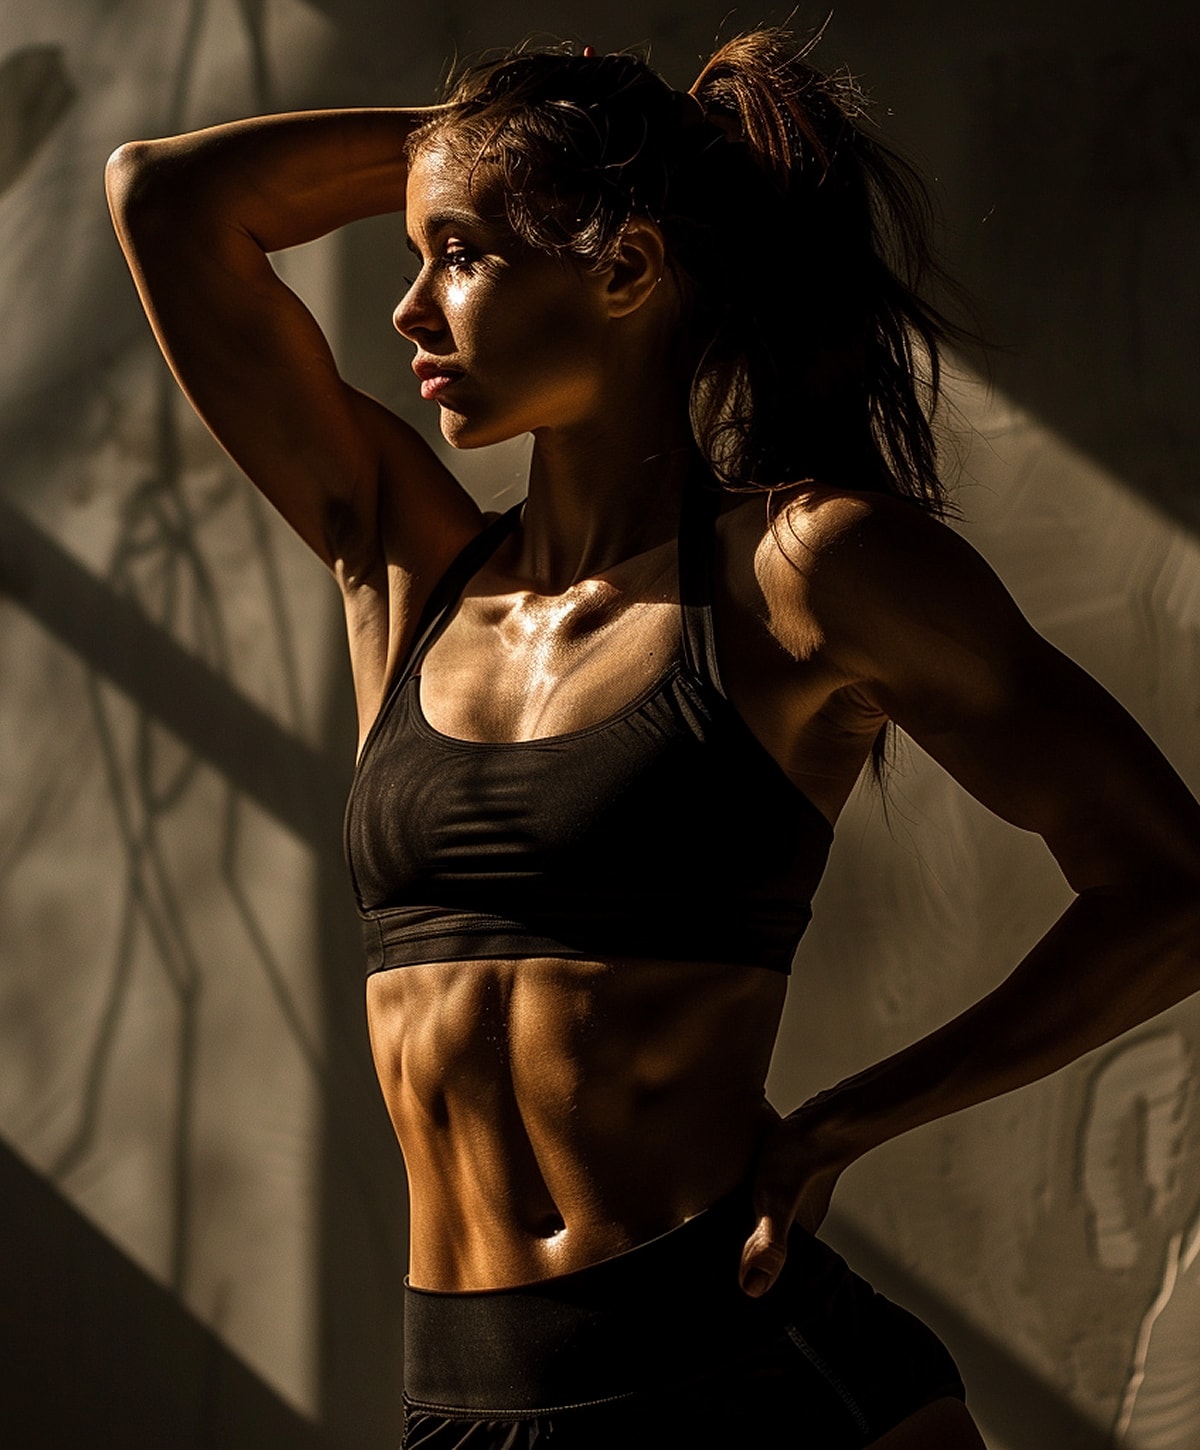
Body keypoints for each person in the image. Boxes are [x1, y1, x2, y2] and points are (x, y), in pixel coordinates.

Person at [106, 28, 1200, 1449]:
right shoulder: (405, 566)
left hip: (738, 1373)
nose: (407, 308)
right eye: (419, 250)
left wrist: (837, 1127)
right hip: (469, 1398)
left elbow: (1168, 887)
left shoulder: (803, 573)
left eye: (457, 255)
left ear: (626, 270)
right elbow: (163, 200)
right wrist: (487, 153)